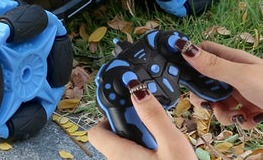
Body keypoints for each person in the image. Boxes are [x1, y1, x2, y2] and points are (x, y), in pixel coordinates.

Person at [89, 38, 263, 159]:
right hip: (159, 50)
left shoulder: (114, 81)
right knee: (218, 90)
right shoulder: (161, 45)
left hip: (124, 82)